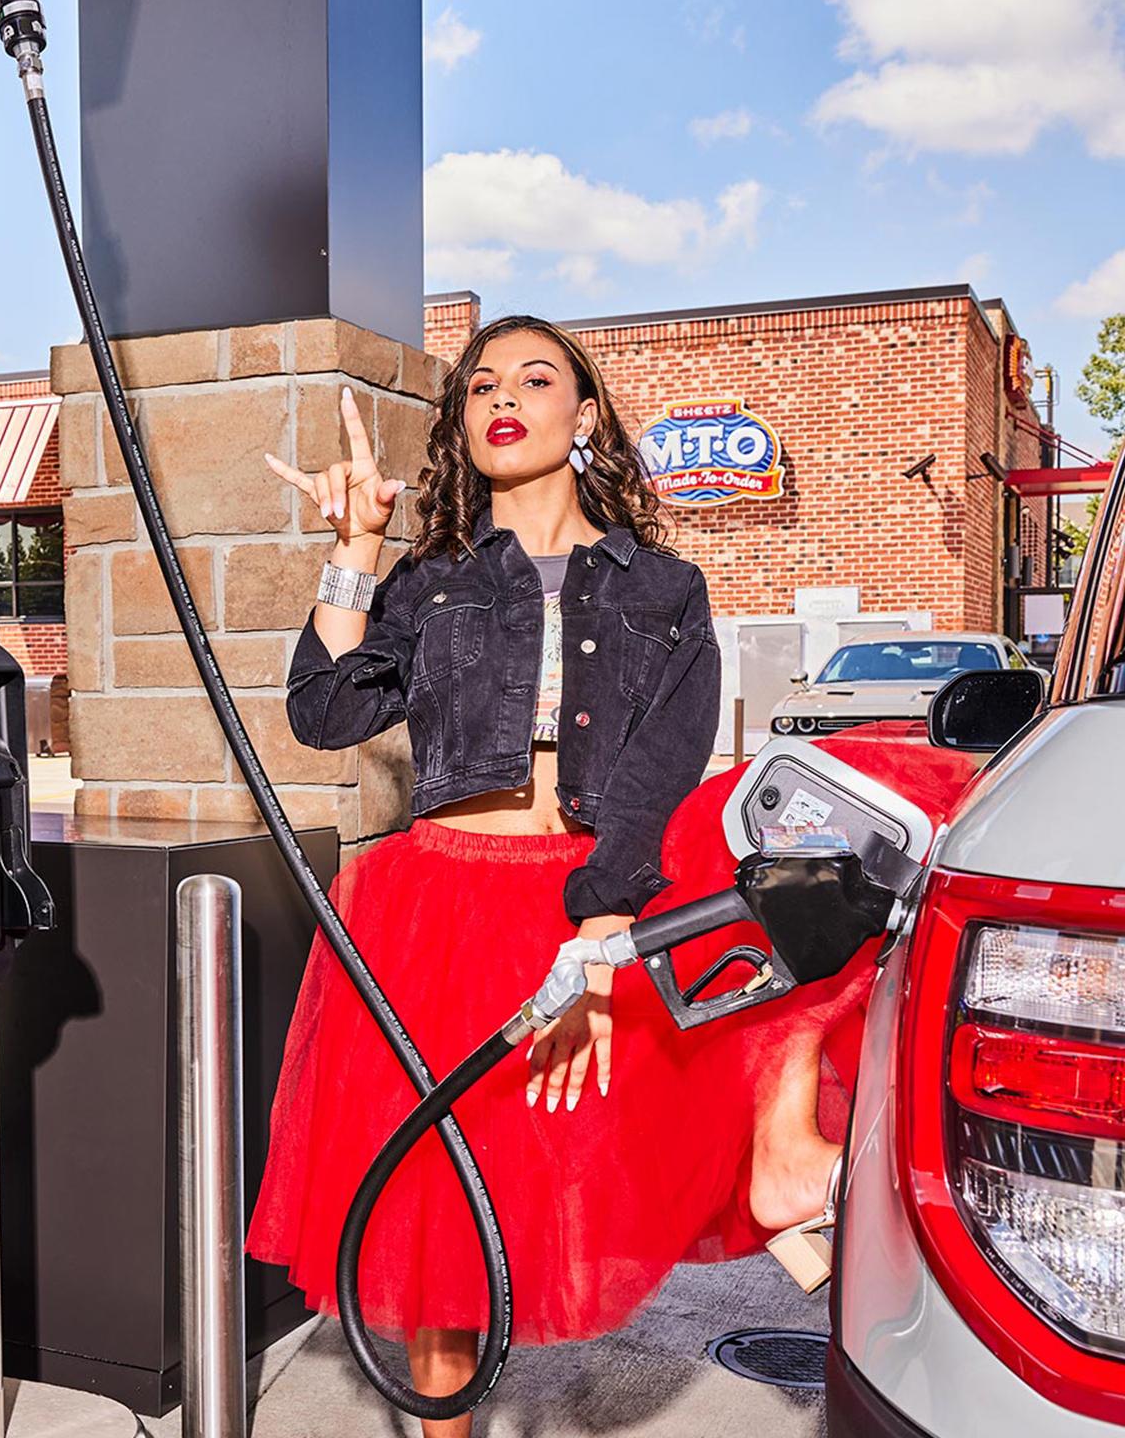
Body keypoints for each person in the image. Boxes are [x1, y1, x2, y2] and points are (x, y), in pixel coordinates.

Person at [247, 315, 844, 1438]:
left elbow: (664, 767)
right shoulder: (431, 582)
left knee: (803, 891)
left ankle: (771, 1167)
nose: (503, 397)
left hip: (590, 888)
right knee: (443, 1198)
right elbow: (324, 712)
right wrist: (358, 548)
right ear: (463, 424)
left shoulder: (662, 585)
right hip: (438, 904)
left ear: (585, 416)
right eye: (479, 386)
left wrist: (605, 923)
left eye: (535, 377)